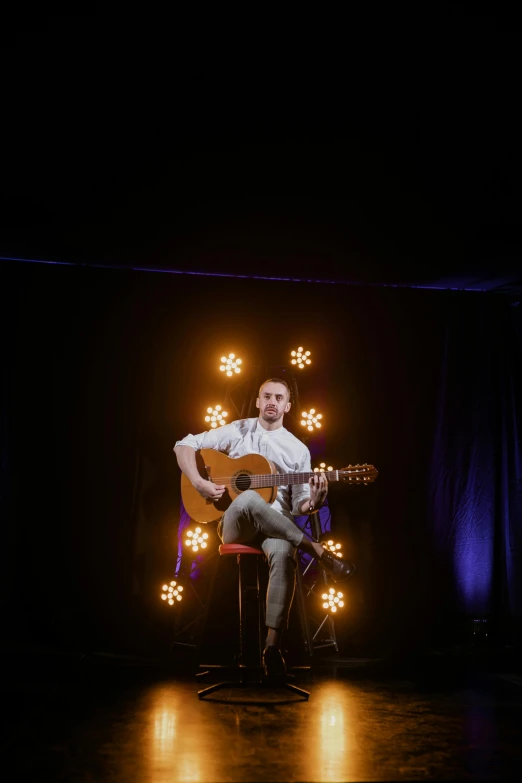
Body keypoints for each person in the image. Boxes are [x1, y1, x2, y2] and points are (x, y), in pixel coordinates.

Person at [174, 377, 356, 678]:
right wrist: (200, 482)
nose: (272, 401)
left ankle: (272, 649)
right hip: (237, 523)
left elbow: (300, 506)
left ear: (287, 405)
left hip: (278, 528)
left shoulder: (297, 450)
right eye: (266, 396)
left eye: (279, 397)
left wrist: (315, 501)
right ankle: (315, 548)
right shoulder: (238, 430)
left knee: (284, 552)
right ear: (258, 401)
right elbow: (184, 444)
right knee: (247, 497)